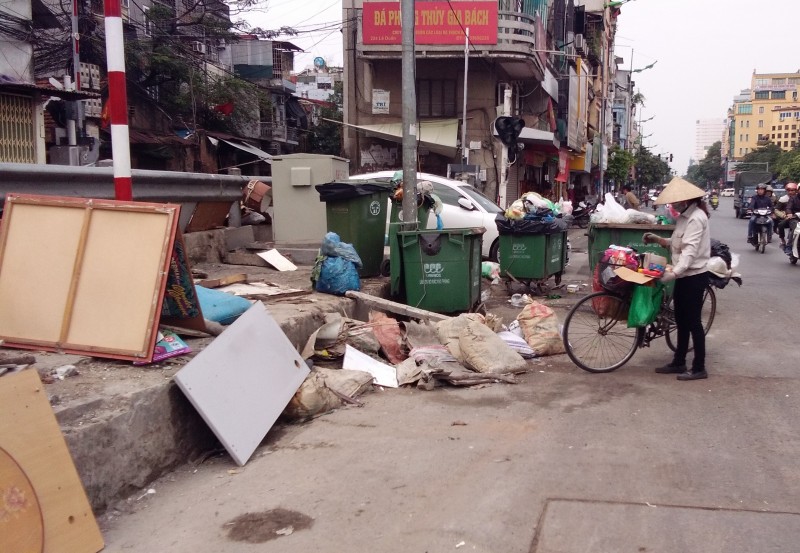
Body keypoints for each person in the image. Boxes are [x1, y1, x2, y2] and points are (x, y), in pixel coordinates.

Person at [642, 177, 711, 381]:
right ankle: (679, 361)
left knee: (693, 322)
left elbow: (689, 252)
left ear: (687, 200)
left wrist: (673, 273)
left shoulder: (697, 218)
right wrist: (660, 240)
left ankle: (699, 367)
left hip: (694, 276)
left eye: (675, 202)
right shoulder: (683, 218)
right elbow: (678, 242)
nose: (672, 205)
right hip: (684, 275)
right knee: (681, 319)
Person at [773, 183, 795, 248]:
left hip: (797, 217)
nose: (790, 192)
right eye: (789, 190)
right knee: (780, 225)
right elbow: (776, 210)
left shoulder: (797, 198)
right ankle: (782, 240)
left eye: (792, 190)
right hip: (788, 217)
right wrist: (784, 215)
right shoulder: (783, 199)